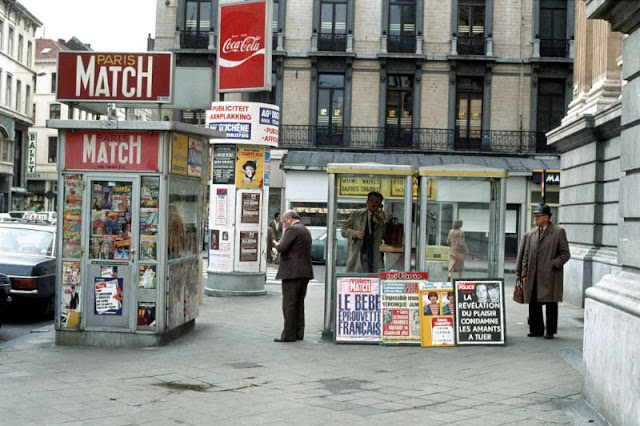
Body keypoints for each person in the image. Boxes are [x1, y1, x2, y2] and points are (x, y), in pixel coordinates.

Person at [518, 203, 570, 339]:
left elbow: (565, 254)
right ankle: (536, 329)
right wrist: (523, 273)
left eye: (538, 216)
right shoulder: (531, 234)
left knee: (551, 303)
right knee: (534, 302)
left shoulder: (558, 232)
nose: (535, 219)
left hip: (550, 275)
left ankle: (550, 331)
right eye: (534, 216)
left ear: (546, 217)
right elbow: (526, 255)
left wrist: (553, 264)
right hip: (533, 275)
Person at [274, 210, 313, 342]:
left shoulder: (292, 230)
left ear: (290, 219)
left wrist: (278, 245)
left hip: (292, 273)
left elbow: (283, 248)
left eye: (285, 221)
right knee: (299, 304)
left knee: (289, 304)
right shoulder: (305, 230)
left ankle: (289, 335)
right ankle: (298, 333)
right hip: (304, 272)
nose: (285, 225)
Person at [341, 191, 387, 273]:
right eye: (371, 201)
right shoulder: (357, 214)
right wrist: (355, 233)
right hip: (359, 254)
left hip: (374, 255)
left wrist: (383, 222)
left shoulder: (381, 218)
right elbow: (344, 230)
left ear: (380, 205)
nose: (374, 204)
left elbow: (386, 236)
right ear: (367, 202)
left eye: (377, 202)